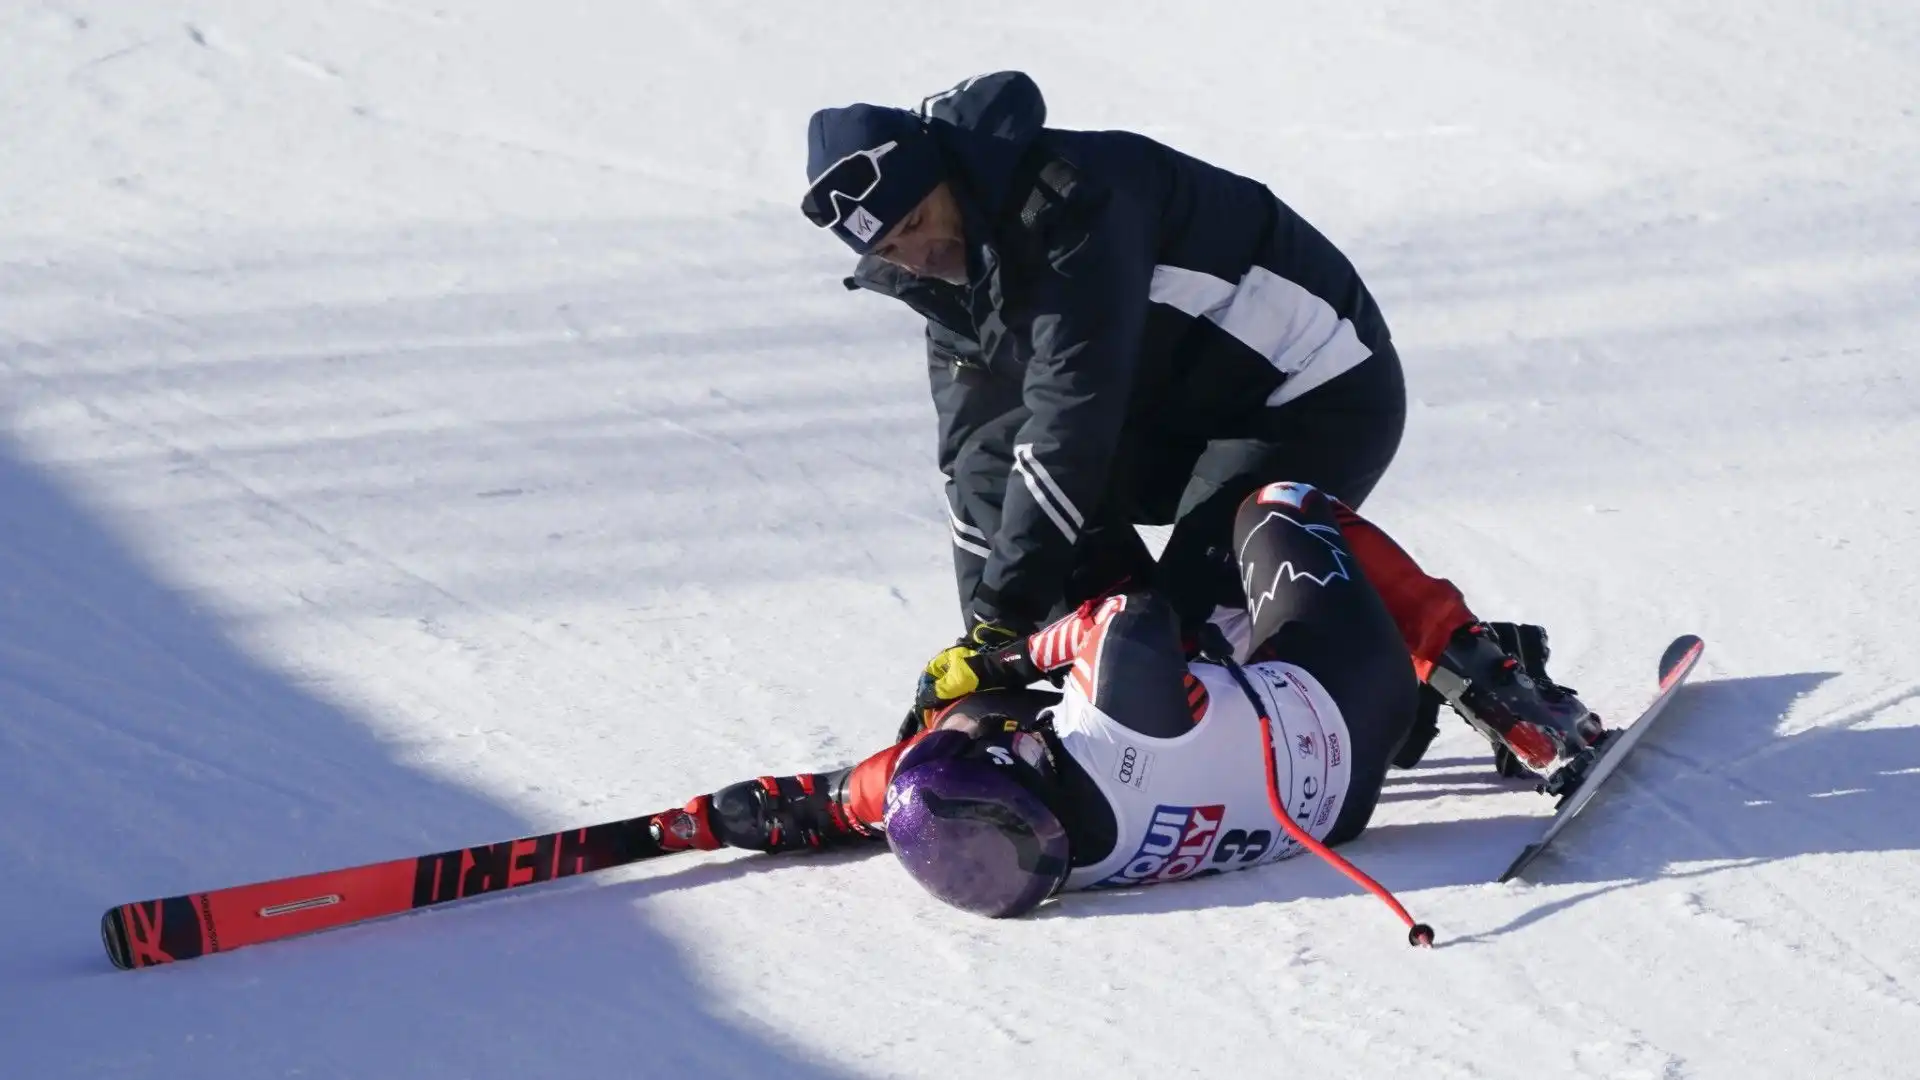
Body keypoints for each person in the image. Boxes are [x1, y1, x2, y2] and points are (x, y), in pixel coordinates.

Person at [646, 483, 1602, 924]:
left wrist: (734, 818)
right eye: (983, 735)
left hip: (1336, 809)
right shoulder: (1111, 728)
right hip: (1342, 694)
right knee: (1275, 502)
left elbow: (865, 800)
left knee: (1188, 624)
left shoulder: (1043, 862)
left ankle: (1436, 676)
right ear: (1021, 753)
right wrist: (998, 664)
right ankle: (1499, 684)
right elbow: (1128, 622)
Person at [802, 71, 1407, 668]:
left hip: (1313, 395)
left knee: (1212, 651)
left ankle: (1438, 651)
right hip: (1185, 414)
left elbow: (1072, 419)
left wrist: (1004, 621)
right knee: (999, 470)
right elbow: (972, 464)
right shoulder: (949, 274)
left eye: (914, 223)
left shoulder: (1074, 205)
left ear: (947, 177)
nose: (918, 260)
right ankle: (1126, 660)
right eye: (886, 250)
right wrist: (989, 654)